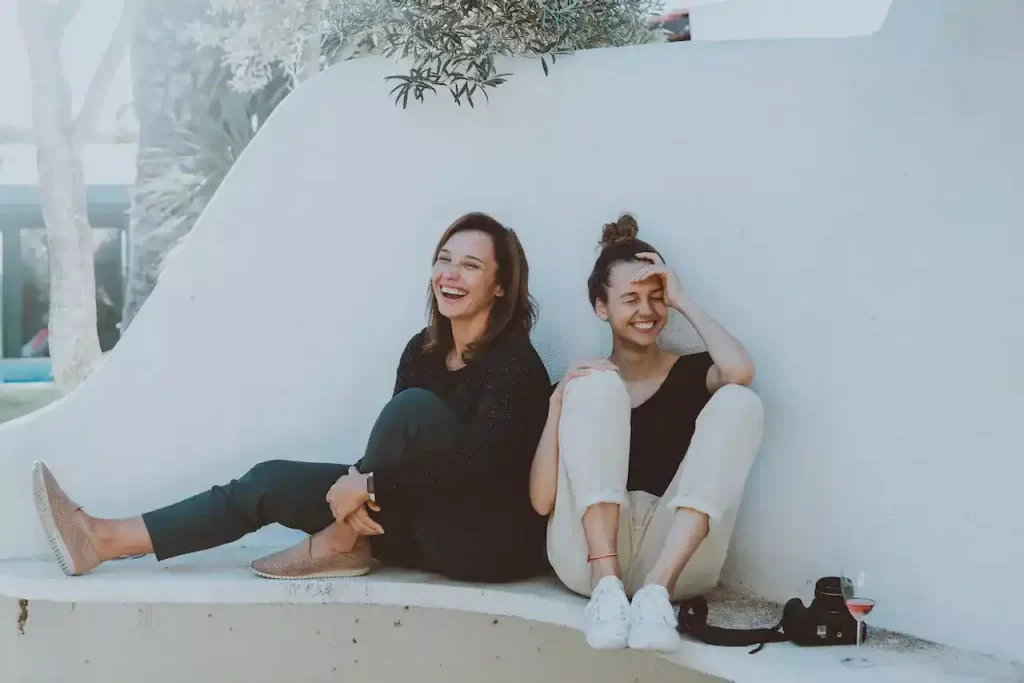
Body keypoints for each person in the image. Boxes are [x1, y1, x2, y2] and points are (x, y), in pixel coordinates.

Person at [33, 212, 552, 584]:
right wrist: (363, 486)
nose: (450, 275)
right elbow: (400, 456)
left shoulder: (515, 364)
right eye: (444, 259)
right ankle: (101, 539)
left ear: (501, 287)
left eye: (470, 266)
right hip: (422, 521)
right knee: (268, 481)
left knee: (411, 408)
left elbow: (484, 471)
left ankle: (339, 543)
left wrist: (366, 482)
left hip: (486, 544)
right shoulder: (423, 349)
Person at [529, 214, 764, 653]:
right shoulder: (581, 385)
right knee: (595, 383)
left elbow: (741, 370)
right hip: (586, 559)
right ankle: (607, 585)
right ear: (602, 308)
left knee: (740, 400)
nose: (646, 311)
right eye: (631, 298)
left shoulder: (692, 372)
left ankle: (655, 593)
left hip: (674, 559)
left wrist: (683, 301)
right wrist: (557, 403)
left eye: (656, 298)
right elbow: (542, 501)